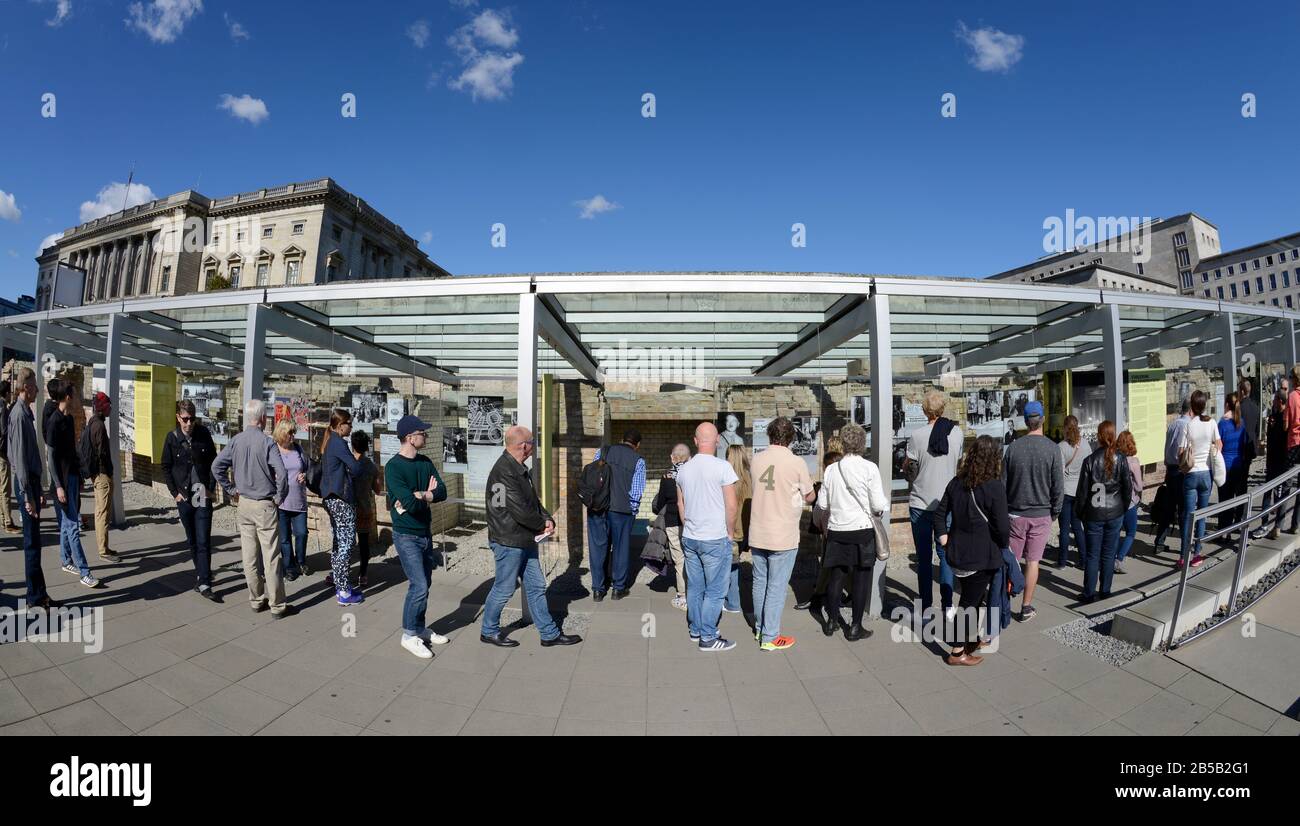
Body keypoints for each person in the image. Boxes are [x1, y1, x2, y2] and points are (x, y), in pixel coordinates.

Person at [480, 425, 581, 647]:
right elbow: (520, 509)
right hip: (509, 541)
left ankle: (549, 634)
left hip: (523, 539)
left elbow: (532, 502)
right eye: (533, 442)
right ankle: (488, 630)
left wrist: (547, 518)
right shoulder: (505, 470)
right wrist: (541, 524)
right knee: (504, 588)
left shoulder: (518, 467)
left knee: (536, 586)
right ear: (523, 445)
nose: (534, 446)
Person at [212, 398, 296, 618]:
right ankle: (277, 605)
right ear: (263, 418)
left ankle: (256, 599)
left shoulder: (236, 440)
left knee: (249, 557)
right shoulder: (267, 443)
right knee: (271, 557)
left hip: (244, 503)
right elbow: (283, 475)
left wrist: (231, 490)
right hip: (264, 504)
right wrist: (279, 497)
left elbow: (216, 466)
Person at [933, 435, 1009, 666]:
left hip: (957, 553)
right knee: (968, 604)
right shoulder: (994, 487)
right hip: (980, 557)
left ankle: (970, 639)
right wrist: (1003, 545)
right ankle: (957, 652)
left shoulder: (957, 482)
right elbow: (1003, 527)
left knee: (973, 598)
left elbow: (939, 514)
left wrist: (944, 539)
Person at [747, 417, 815, 650]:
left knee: (759, 582)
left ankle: (760, 628)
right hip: (783, 533)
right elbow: (809, 496)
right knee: (776, 586)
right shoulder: (796, 462)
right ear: (791, 438)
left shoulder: (756, 459)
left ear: (769, 435)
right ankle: (770, 636)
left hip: (758, 530)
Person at [815, 423, 888, 641]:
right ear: (862, 443)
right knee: (861, 579)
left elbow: (823, 503)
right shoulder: (870, 468)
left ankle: (831, 621)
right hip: (861, 530)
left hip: (837, 529)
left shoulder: (831, 469)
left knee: (836, 577)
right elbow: (877, 504)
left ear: (844, 443)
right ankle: (855, 626)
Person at [385, 414, 449, 658]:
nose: (426, 435)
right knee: (418, 584)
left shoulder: (425, 462)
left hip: (425, 532)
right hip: (406, 535)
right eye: (422, 433)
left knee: (426, 583)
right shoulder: (393, 467)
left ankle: (420, 628)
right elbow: (409, 504)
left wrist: (424, 495)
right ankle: (408, 635)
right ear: (410, 438)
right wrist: (424, 495)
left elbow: (441, 491)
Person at [675, 421, 739, 652]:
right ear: (718, 441)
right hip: (714, 537)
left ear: (695, 440)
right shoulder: (723, 467)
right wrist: (730, 532)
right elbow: (731, 506)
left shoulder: (683, 469)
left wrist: (689, 526)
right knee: (715, 590)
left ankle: (696, 630)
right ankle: (708, 637)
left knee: (695, 587)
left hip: (691, 536)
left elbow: (680, 504)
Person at [903, 390, 962, 621]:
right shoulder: (956, 434)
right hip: (946, 503)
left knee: (924, 558)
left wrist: (906, 465)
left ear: (924, 411)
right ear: (943, 408)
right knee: (945, 555)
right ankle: (947, 605)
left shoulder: (917, 436)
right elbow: (958, 463)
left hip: (920, 502)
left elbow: (911, 472)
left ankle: (926, 607)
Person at [1002, 401, 1062, 621]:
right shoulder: (1053, 448)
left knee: (1012, 560)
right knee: (1033, 562)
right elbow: (1058, 487)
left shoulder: (1013, 448)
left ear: (1026, 422)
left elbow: (1003, 484)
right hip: (1041, 513)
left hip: (1015, 513)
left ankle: (1004, 600)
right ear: (1043, 420)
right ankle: (1026, 606)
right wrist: (1054, 512)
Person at [44, 380, 100, 588]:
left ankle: (66, 560)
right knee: (72, 526)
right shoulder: (54, 422)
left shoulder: (68, 420)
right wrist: (58, 486)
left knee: (68, 526)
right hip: (63, 483)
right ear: (67, 397)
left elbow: (72, 451)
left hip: (73, 478)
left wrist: (81, 474)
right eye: (75, 395)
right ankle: (84, 572)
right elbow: (51, 458)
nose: (77, 399)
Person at [162, 400, 220, 600]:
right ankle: (200, 574)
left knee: (204, 539)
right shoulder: (172, 438)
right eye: (185, 419)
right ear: (178, 417)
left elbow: (215, 462)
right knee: (193, 540)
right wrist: (174, 493)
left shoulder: (203, 434)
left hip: (202, 495)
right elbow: (166, 467)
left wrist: (211, 489)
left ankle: (205, 582)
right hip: (185, 497)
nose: (189, 423)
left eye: (192, 419)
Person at [9, 368, 53, 609]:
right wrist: (28, 496)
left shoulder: (24, 412)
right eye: (35, 386)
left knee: (34, 542)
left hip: (32, 484)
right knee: (32, 544)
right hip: (27, 485)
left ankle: (39, 593)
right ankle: (36, 597)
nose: (38, 389)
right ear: (26, 388)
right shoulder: (18, 415)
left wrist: (40, 490)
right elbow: (19, 459)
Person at [1077, 420, 1133, 602]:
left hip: (1094, 514)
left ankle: (1088, 593)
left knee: (1093, 556)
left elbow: (1082, 493)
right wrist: (1122, 509)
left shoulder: (1090, 461)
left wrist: (1080, 514)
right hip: (1115, 512)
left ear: (1099, 437)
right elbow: (1127, 488)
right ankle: (1106, 590)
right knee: (1109, 554)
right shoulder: (1121, 459)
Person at [591, 429, 646, 600]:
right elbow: (636, 492)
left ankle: (598, 590)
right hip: (622, 511)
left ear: (621, 439)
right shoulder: (638, 461)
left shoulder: (602, 451)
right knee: (621, 549)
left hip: (598, 509)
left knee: (598, 548)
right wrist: (633, 512)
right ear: (637, 445)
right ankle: (618, 588)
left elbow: (593, 478)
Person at [320, 409, 364, 605]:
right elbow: (356, 468)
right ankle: (344, 591)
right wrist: (355, 463)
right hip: (341, 499)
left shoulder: (330, 442)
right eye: (349, 423)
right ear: (340, 426)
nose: (351, 427)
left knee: (338, 542)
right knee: (346, 543)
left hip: (330, 498)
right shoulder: (339, 442)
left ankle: (339, 583)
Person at [1180, 390, 1222, 569]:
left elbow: (1180, 452)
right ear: (1204, 405)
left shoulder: (1189, 425)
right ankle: (1197, 554)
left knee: (1189, 516)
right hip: (1206, 473)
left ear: (1192, 405)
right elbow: (1219, 444)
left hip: (1190, 473)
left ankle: (1183, 556)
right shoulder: (1212, 423)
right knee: (1202, 516)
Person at [651, 443, 691, 610]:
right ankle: (696, 591)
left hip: (672, 522)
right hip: (691, 521)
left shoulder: (667, 476)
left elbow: (660, 503)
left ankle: (683, 596)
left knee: (679, 558)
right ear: (689, 458)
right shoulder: (693, 473)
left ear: (672, 458)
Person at [272, 419, 310, 582]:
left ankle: (300, 561)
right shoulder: (274, 451)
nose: (293, 436)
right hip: (281, 502)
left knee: (301, 533)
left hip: (299, 500)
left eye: (294, 432)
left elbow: (308, 468)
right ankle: (289, 567)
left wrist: (305, 475)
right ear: (282, 434)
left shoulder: (298, 449)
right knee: (285, 538)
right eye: (290, 433)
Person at [1153, 399, 1193, 553]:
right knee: (1183, 510)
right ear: (1190, 411)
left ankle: (1159, 542)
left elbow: (1167, 446)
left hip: (1170, 469)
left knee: (1168, 510)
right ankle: (1185, 547)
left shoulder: (1173, 424)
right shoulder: (1187, 425)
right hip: (1181, 471)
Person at [1253, 391, 1289, 541]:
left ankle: (1277, 525)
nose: (1273, 402)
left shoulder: (1285, 418)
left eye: (1275, 400)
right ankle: (1264, 523)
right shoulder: (1273, 416)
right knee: (1267, 493)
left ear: (1280, 401)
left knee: (1279, 494)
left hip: (1281, 462)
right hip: (1272, 461)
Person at [85, 392, 118, 561]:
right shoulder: (98, 425)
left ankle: (104, 547)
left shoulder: (93, 422)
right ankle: (103, 550)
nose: (111, 409)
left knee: (101, 511)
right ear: (103, 407)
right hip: (102, 474)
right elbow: (102, 453)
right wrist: (107, 472)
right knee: (103, 513)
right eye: (108, 406)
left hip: (98, 473)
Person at [350, 430, 383, 586]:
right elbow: (377, 490)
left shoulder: (347, 463)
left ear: (352, 445)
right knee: (363, 543)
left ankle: (341, 572)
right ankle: (363, 574)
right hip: (364, 508)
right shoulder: (371, 467)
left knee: (344, 542)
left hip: (348, 507)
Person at [1057, 415, 1089, 567]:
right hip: (1079, 491)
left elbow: (1059, 472)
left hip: (1065, 490)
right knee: (1077, 527)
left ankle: (1062, 561)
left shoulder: (1061, 447)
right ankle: (1083, 560)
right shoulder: (1085, 445)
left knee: (1064, 528)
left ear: (1065, 428)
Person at [1217, 393, 1250, 539]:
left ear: (1226, 405)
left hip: (1225, 465)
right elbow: (1244, 444)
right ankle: (1232, 528)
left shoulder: (1222, 424)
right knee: (1234, 499)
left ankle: (1223, 531)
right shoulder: (1241, 422)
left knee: (1224, 499)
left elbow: (1218, 446)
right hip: (1238, 465)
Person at [724, 444, 751, 616]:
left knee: (727, 567)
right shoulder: (749, 478)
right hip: (744, 530)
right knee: (733, 565)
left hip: (729, 530)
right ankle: (733, 601)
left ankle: (732, 602)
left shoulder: (726, 479)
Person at [1114, 430, 1144, 575]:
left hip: (1116, 502)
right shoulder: (1133, 462)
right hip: (1131, 502)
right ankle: (1119, 559)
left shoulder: (1114, 460)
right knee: (1131, 532)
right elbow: (1139, 486)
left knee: (1116, 531)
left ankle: (1110, 557)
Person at [0, 379, 17, 535]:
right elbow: (4, 432)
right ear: (7, 393)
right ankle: (7, 521)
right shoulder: (3, 408)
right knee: (5, 488)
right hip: (2, 454)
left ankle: (2, 518)